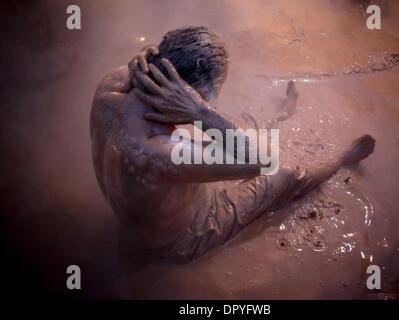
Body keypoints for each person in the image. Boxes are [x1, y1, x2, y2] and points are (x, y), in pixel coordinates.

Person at [90, 26, 376, 263]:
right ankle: (343, 159)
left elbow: (151, 59)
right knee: (282, 174)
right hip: (181, 238)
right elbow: (266, 161)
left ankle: (279, 116)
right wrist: (200, 111)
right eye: (207, 96)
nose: (208, 101)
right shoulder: (158, 151)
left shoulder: (112, 84)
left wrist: (148, 55)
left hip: (145, 211)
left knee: (226, 131)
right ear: (188, 95)